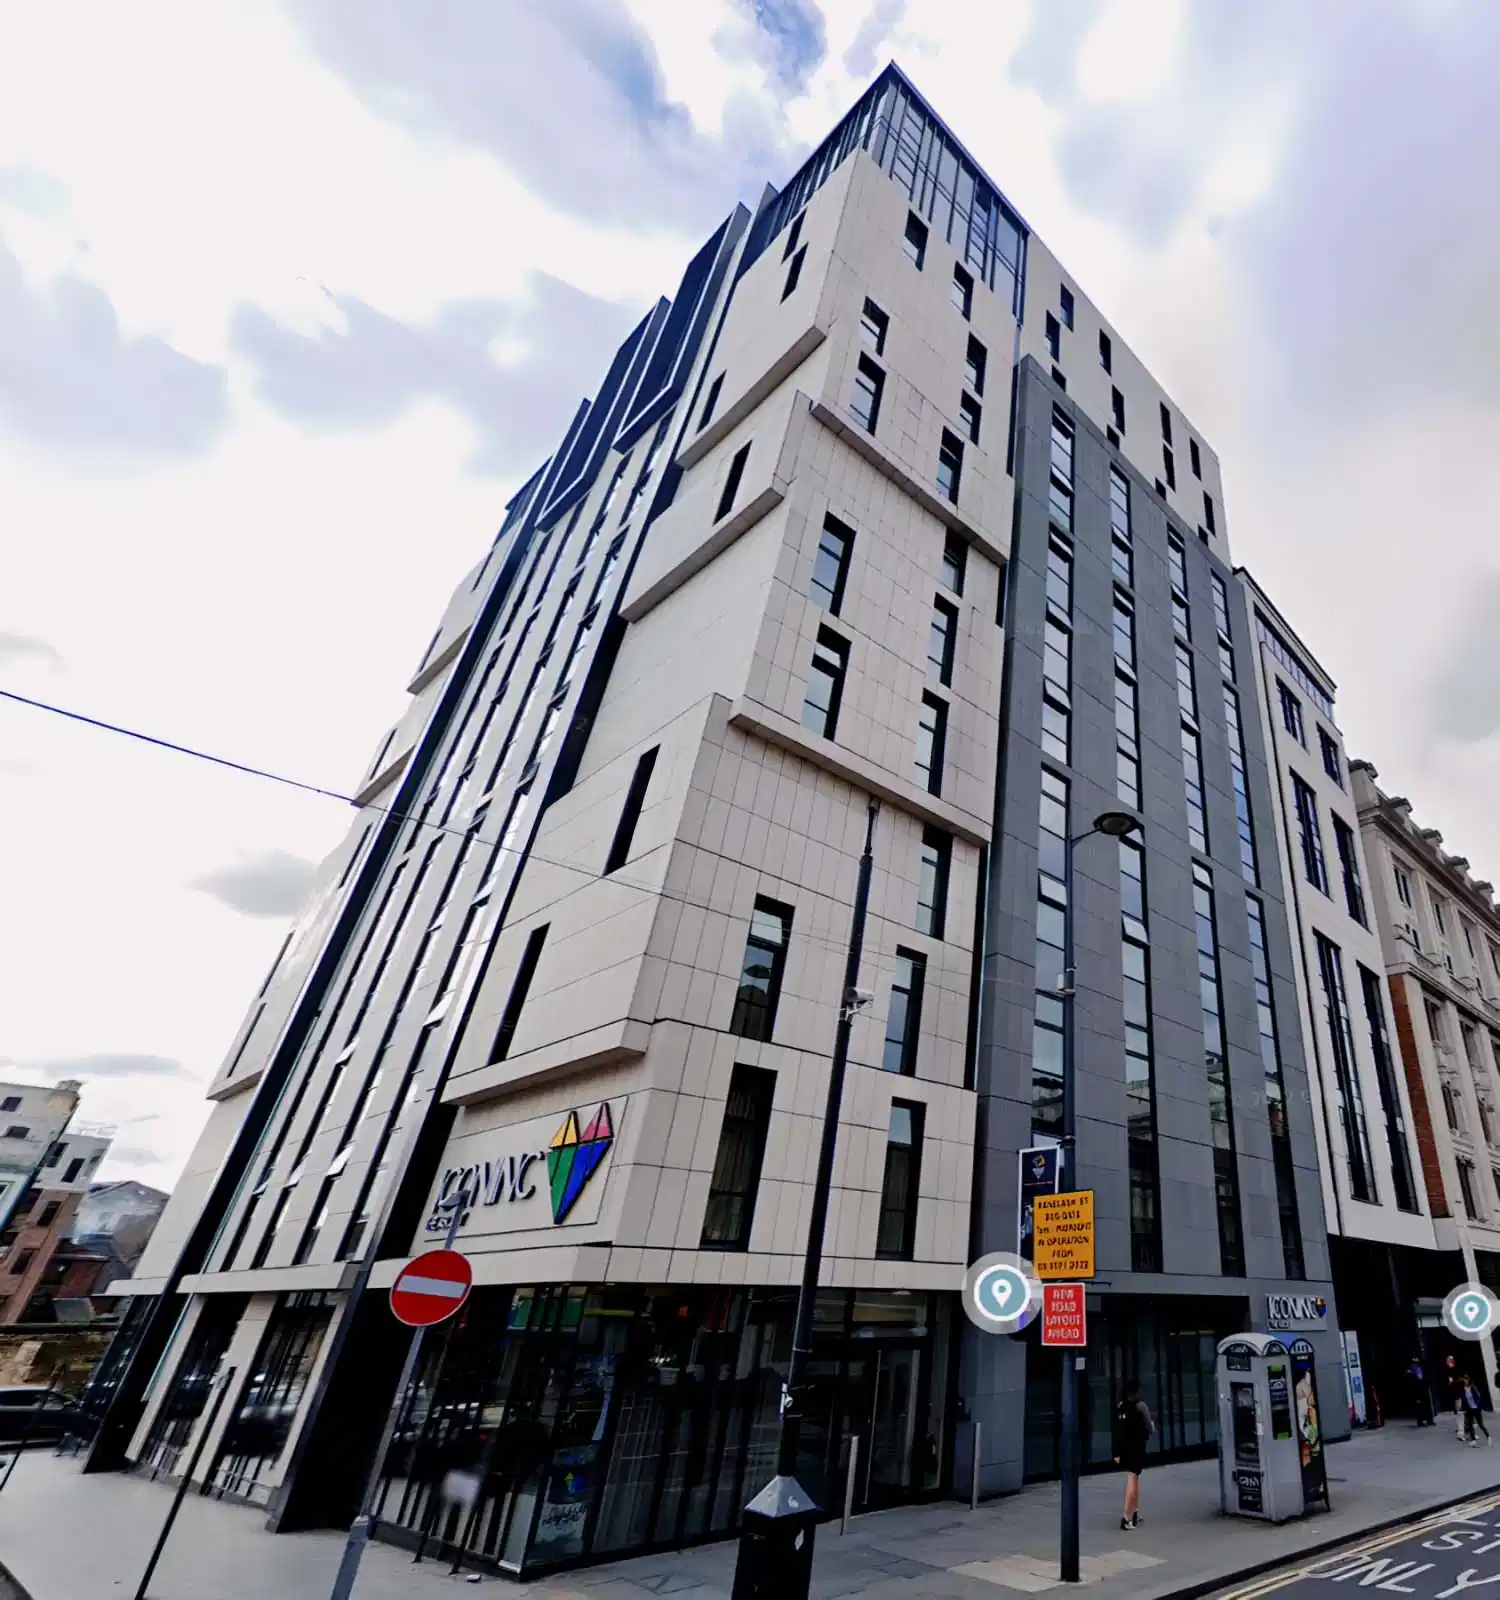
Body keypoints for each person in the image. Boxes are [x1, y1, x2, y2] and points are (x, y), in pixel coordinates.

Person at [1112, 1378, 1154, 1531]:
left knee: (1134, 1479)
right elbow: (1149, 1427)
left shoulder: (1121, 1406)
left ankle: (1134, 1512)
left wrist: (1116, 1452)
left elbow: (1117, 1431)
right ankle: (1126, 1518)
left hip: (1124, 1448)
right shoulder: (1140, 1406)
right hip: (1136, 1447)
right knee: (1132, 1480)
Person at [1461, 1376, 1491, 1447]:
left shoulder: (1472, 1388)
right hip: (1470, 1409)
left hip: (1474, 1409)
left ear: (1468, 1380)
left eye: (1465, 1380)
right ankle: (1475, 1440)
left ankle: (1487, 1437)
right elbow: (1464, 1401)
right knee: (1471, 1425)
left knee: (1478, 1425)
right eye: (1464, 1380)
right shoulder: (1464, 1390)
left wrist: (1476, 1406)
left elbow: (1478, 1398)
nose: (1464, 1381)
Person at [1408, 1355, 1435, 1426]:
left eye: (1416, 1358)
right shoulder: (1411, 1368)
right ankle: (1420, 1421)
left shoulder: (1422, 1367)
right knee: (1419, 1405)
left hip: (1423, 1387)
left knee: (1427, 1404)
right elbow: (1410, 1378)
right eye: (1414, 1358)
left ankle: (1429, 1420)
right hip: (1417, 1388)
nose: (1416, 1360)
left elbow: (1427, 1375)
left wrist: (1426, 1381)